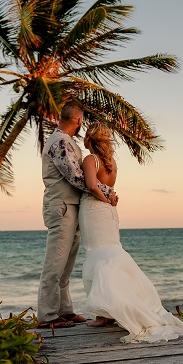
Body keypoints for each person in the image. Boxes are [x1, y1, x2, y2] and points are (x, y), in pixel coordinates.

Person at [79, 121, 183, 343]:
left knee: (98, 254)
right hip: (110, 213)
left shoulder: (90, 160)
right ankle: (109, 312)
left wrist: (103, 197)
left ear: (89, 139)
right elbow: (109, 188)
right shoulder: (112, 163)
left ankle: (103, 315)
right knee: (111, 252)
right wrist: (110, 199)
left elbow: (92, 186)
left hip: (94, 210)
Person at [37, 102, 118, 328]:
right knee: (55, 262)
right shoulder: (60, 142)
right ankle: (47, 315)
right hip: (62, 205)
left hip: (71, 206)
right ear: (79, 120)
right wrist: (107, 192)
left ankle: (64, 310)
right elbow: (76, 177)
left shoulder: (67, 142)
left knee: (66, 263)